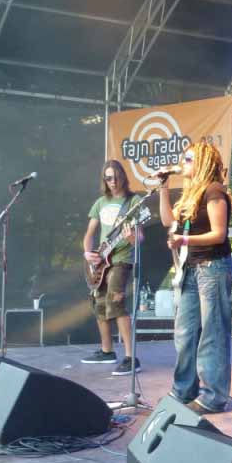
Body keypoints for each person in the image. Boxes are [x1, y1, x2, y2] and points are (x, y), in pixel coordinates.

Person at [159, 141, 232, 415]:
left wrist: (184, 239)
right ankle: (184, 390)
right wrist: (163, 187)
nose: (183, 163)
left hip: (213, 267)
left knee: (212, 333)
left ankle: (213, 397)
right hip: (191, 268)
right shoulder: (191, 194)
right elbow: (167, 221)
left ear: (203, 162)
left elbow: (219, 234)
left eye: (189, 159)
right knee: (185, 333)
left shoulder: (214, 191)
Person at [82, 160, 142, 376]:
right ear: (104, 180)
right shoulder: (100, 203)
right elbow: (89, 234)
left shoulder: (133, 201)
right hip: (101, 260)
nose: (113, 182)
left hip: (122, 259)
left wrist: (131, 236)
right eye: (108, 178)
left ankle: (131, 358)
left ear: (123, 177)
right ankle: (107, 351)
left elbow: (139, 238)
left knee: (115, 303)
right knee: (99, 303)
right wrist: (88, 254)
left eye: (116, 177)